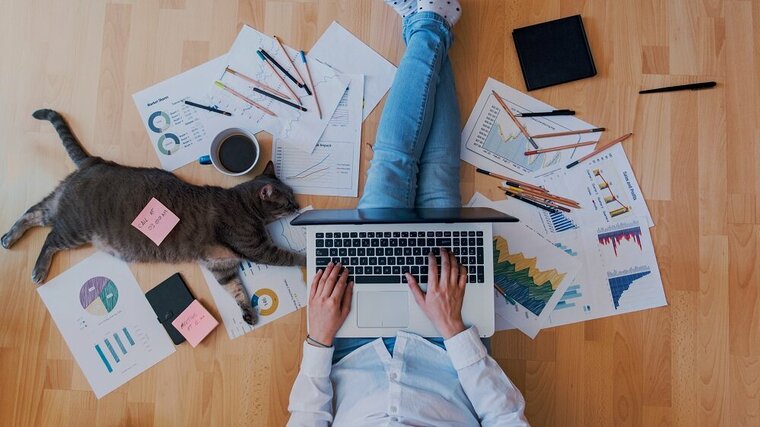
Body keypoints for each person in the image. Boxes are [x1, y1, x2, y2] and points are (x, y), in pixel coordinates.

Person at [287, 1, 528, 425]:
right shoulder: (450, 335)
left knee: (395, 167)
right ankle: (430, 21)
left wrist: (319, 338)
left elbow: (307, 415)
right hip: (447, 348)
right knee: (433, 176)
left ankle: (432, 21)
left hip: (348, 341)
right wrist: (453, 329)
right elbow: (505, 416)